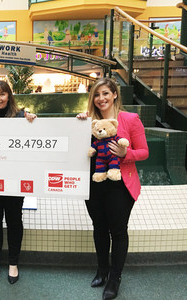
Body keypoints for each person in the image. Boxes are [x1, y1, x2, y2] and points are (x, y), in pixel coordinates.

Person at [77, 77, 148, 299]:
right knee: (99, 227)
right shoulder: (88, 122)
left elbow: (144, 151)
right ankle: (102, 270)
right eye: (97, 95)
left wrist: (126, 154)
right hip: (94, 182)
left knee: (117, 230)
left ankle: (115, 278)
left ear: (115, 94)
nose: (101, 99)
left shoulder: (130, 119)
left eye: (105, 93)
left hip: (120, 185)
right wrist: (77, 124)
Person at [0, 80, 36, 285]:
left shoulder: (21, 117)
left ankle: (13, 263)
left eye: (2, 94)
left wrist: (33, 120)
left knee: (14, 220)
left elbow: (38, 136)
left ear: (9, 96)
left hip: (14, 179)